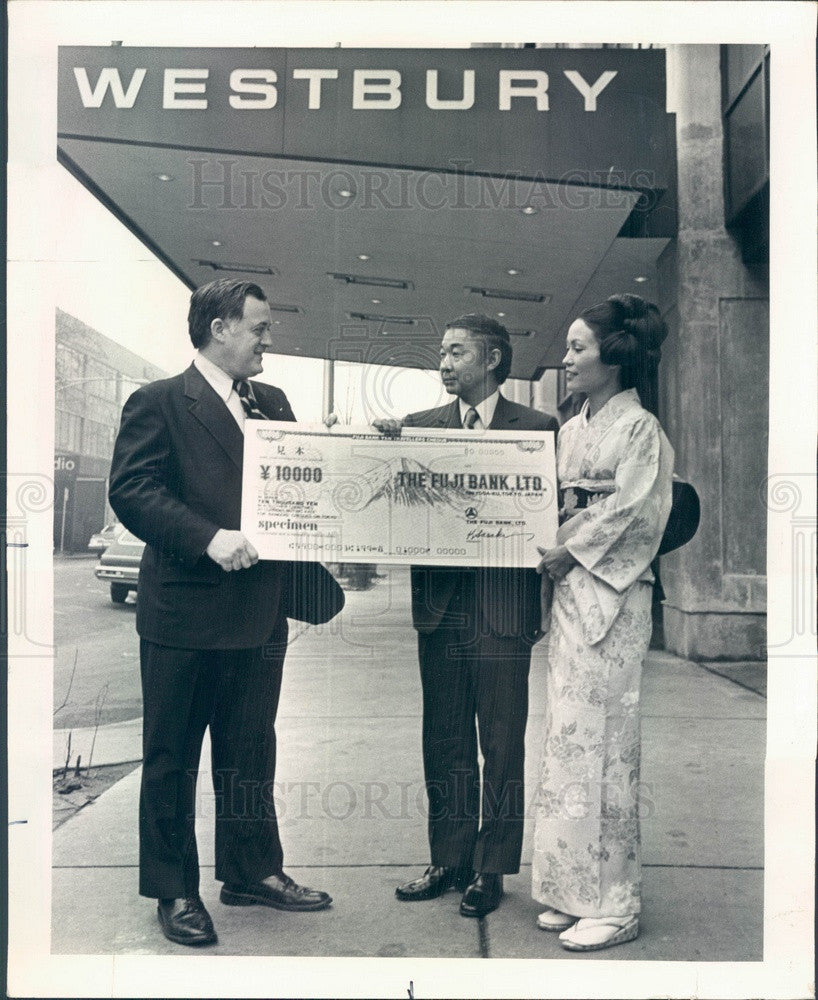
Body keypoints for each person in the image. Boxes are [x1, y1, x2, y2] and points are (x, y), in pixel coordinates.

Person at [108, 279, 331, 947]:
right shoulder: (159, 402)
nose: (269, 339)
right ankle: (174, 889)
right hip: (184, 615)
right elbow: (132, 490)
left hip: (259, 614)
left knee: (250, 750)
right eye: (259, 326)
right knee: (172, 758)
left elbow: (304, 481)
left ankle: (252, 871)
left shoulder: (274, 402)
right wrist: (208, 537)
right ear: (220, 328)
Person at [378, 314, 559, 918]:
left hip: (503, 611)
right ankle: (449, 858)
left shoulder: (538, 429)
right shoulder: (416, 428)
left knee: (502, 743)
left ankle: (492, 868)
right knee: (445, 739)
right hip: (441, 611)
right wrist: (376, 448)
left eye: (456, 352)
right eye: (442, 351)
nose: (444, 362)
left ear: (493, 359)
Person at [531, 294, 673, 952]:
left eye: (579, 347)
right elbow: (557, 503)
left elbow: (638, 514)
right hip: (569, 594)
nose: (566, 359)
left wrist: (570, 547)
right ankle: (569, 888)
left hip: (612, 598)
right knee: (568, 740)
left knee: (609, 749)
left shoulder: (641, 430)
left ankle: (616, 902)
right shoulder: (573, 428)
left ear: (613, 358)